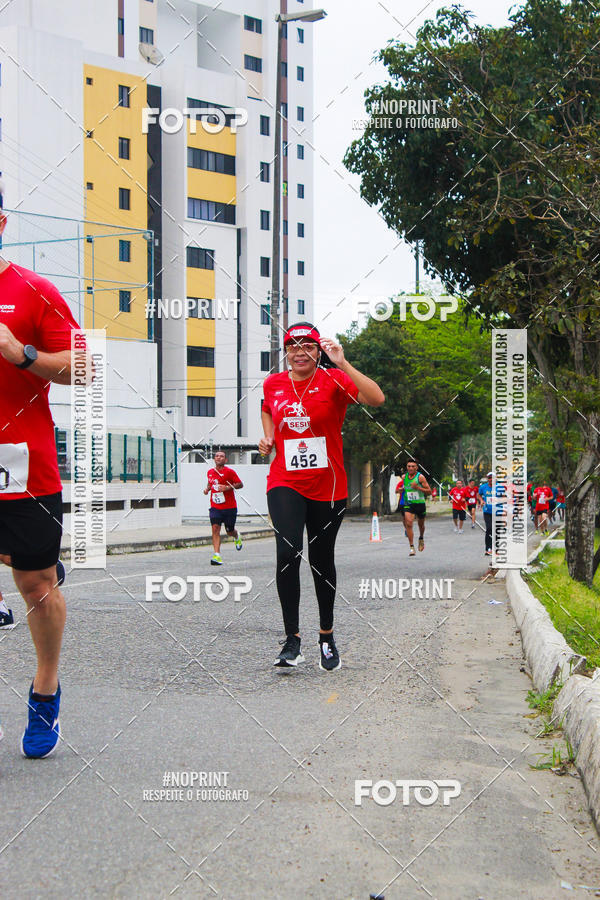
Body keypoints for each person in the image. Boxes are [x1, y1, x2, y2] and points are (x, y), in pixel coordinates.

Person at [0, 202, 80, 758]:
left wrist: (22, 354)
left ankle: (45, 687)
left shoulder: (35, 290)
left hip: (26, 464)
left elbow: (82, 365)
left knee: (37, 587)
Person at [259, 322, 384, 671]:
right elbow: (267, 408)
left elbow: (376, 398)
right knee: (287, 553)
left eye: (308, 346)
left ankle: (326, 634)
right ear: (286, 351)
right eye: (293, 346)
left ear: (318, 351)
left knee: (321, 560)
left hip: (328, 485)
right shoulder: (274, 384)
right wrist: (268, 438)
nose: (300, 351)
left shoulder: (333, 379)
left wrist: (342, 362)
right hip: (285, 479)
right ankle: (291, 641)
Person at [203, 450, 243, 565]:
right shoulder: (210, 472)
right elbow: (210, 483)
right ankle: (217, 555)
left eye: (221, 456)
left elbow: (240, 484)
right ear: (214, 459)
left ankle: (236, 535)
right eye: (217, 456)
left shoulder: (230, 472)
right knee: (215, 528)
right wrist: (207, 489)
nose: (219, 458)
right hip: (215, 507)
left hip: (229, 507)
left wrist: (227, 487)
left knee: (229, 531)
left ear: (225, 460)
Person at [397, 459, 431, 556]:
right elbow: (407, 486)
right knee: (409, 523)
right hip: (409, 503)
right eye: (409, 466)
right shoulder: (404, 477)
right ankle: (411, 547)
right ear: (406, 467)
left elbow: (429, 491)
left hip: (420, 504)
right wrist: (402, 489)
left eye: (413, 466)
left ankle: (421, 538)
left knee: (421, 525)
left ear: (417, 467)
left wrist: (418, 488)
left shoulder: (420, 477)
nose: (411, 468)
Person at [478, 471, 496, 557]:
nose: (491, 479)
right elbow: (479, 495)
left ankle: (497, 549)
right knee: (489, 528)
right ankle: (488, 548)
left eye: (492, 477)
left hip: (497, 511)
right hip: (487, 511)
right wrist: (481, 500)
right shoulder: (483, 487)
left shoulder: (499, 487)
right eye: (489, 478)